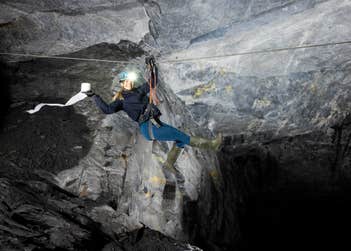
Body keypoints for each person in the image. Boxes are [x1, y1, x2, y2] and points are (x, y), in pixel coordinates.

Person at [84, 59, 222, 176]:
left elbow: (153, 82)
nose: (128, 83)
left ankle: (169, 163)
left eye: (129, 81)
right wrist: (93, 96)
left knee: (180, 140)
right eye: (125, 81)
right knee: (183, 136)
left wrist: (152, 66)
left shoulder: (139, 90)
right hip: (149, 127)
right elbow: (107, 109)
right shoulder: (121, 102)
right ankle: (211, 145)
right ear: (121, 83)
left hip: (155, 124)